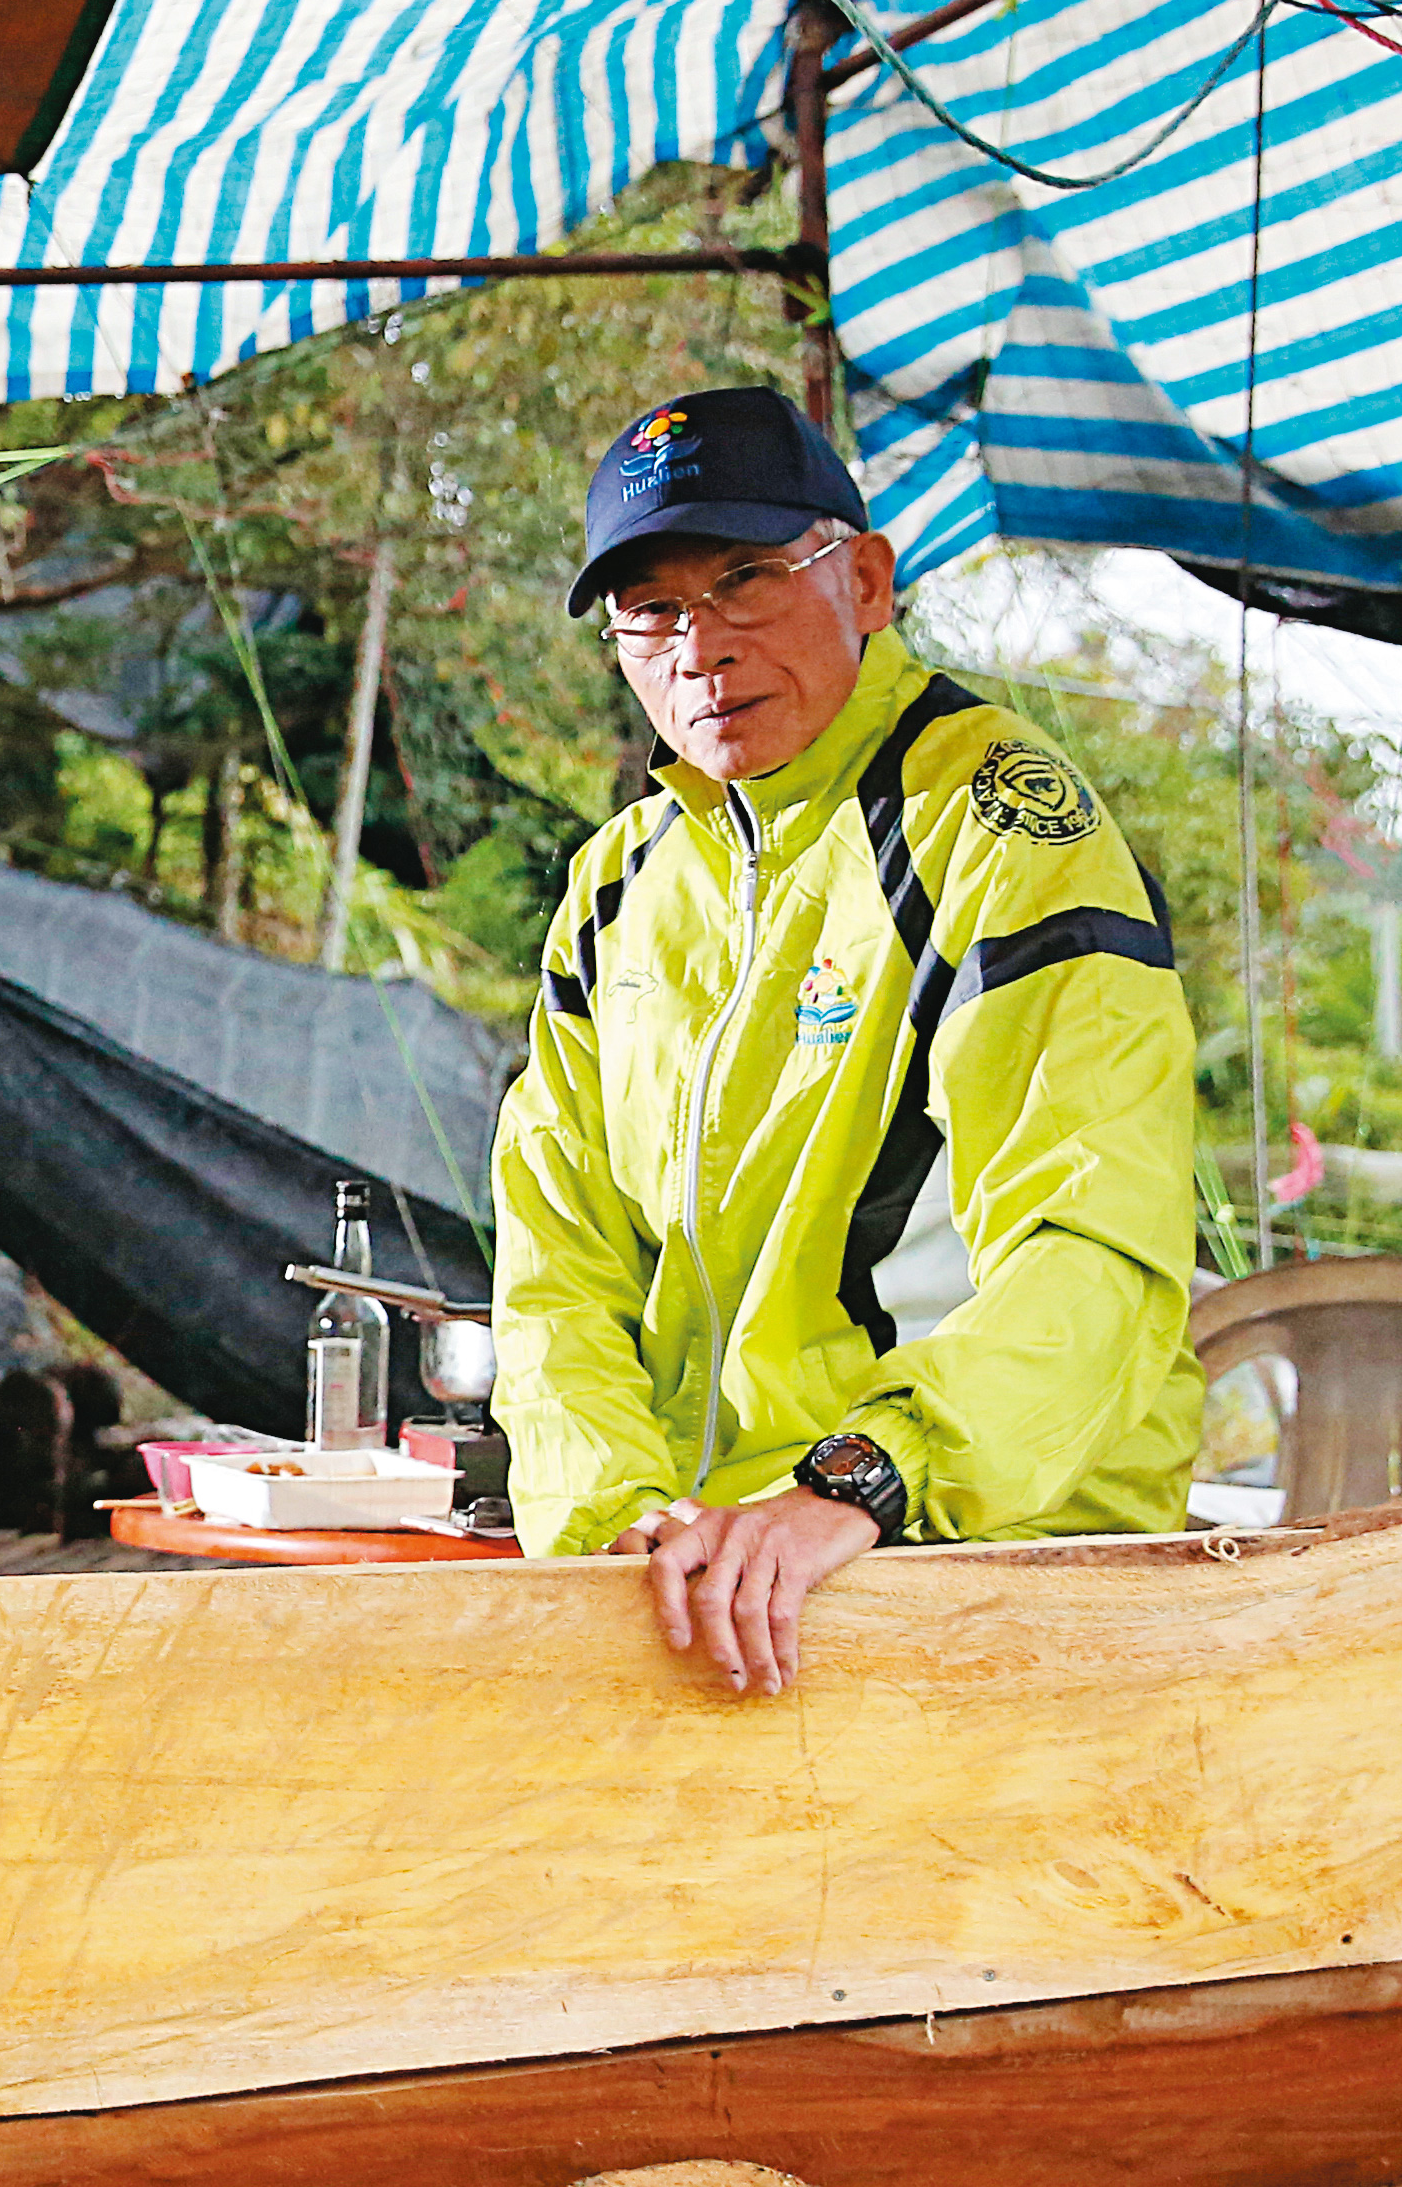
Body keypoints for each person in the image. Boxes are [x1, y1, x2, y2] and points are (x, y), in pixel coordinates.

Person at [488, 387, 1201, 1697]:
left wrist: (864, 1479)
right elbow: (556, 1269)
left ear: (866, 582)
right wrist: (614, 1516)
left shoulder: (990, 821)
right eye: (650, 609)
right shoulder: (614, 886)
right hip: (712, 1573)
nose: (700, 647)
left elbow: (1095, 1238)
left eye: (746, 578)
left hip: (979, 1547)